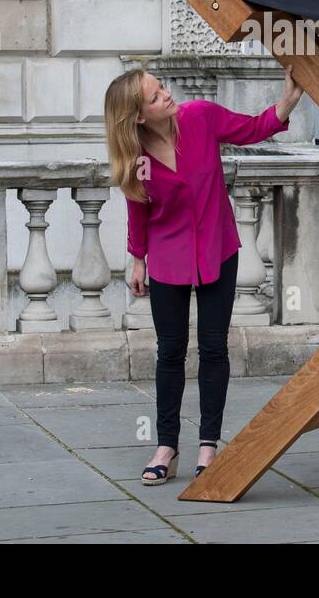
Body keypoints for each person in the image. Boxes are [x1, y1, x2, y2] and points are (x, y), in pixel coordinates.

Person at [103, 65, 303, 484]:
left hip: (218, 249)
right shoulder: (137, 160)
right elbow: (137, 209)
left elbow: (252, 129)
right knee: (170, 353)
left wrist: (288, 100)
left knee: (214, 349)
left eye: (162, 88)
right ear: (138, 116)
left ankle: (209, 444)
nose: (167, 96)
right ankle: (167, 445)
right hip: (168, 259)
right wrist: (137, 258)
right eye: (156, 97)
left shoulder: (201, 117)